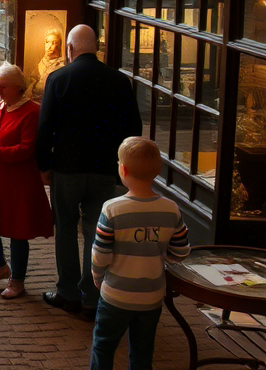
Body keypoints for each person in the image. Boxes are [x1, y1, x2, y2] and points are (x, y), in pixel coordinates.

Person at [36, 24, 142, 319]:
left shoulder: (58, 78)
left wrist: (43, 164)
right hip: (105, 169)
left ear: (70, 49)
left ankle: (67, 292)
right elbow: (133, 128)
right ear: (96, 47)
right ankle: (91, 297)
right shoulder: (119, 81)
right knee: (97, 232)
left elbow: (45, 127)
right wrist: (122, 166)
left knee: (66, 229)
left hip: (67, 169)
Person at [90, 137, 190, 370]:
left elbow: (100, 253)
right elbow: (180, 252)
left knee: (104, 345)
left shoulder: (112, 209)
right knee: (143, 351)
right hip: (152, 297)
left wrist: (97, 276)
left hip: (116, 294)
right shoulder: (170, 208)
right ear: (157, 171)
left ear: (122, 169)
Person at [0, 63, 54, 300]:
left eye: (3, 87)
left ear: (18, 88)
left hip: (19, 181)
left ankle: (17, 280)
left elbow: (29, 148)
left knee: (17, 233)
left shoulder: (31, 112)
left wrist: (1, 153)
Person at [25, 28, 66, 105]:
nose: (49, 46)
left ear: (59, 45)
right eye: (47, 42)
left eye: (54, 43)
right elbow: (34, 79)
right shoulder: (41, 62)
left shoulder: (60, 66)